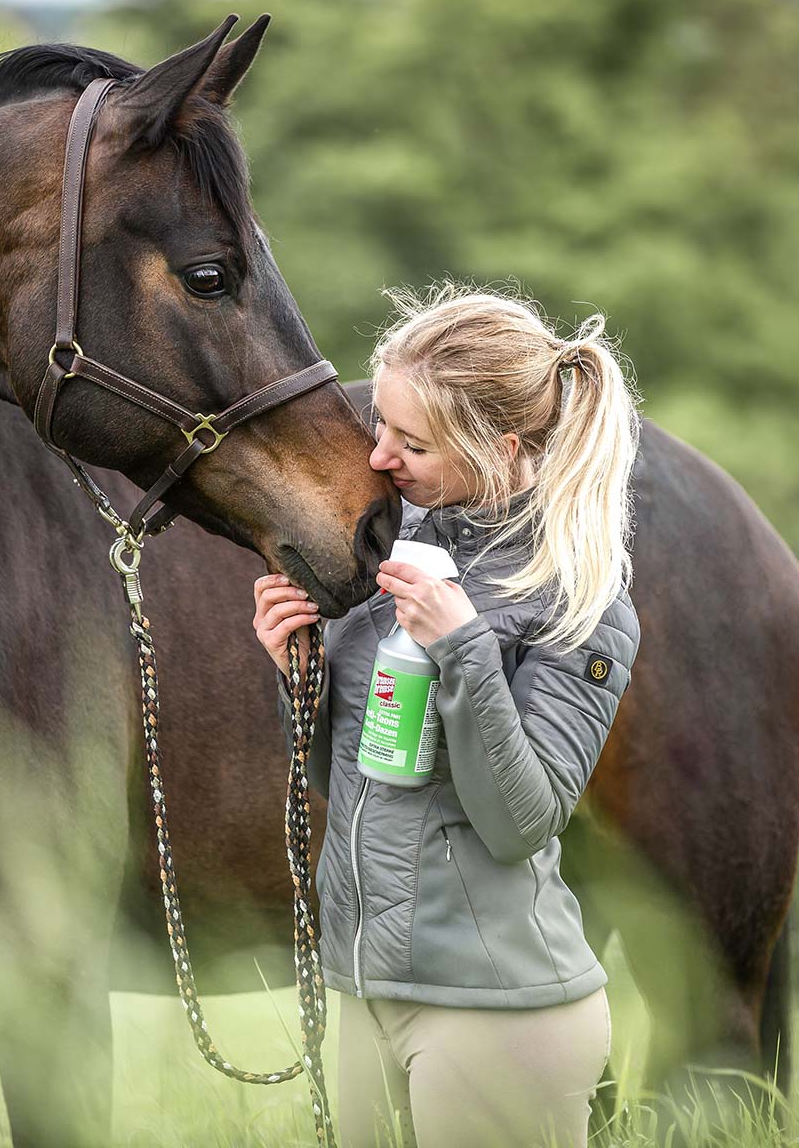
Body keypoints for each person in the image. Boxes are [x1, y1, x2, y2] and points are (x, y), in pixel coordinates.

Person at [253, 285, 642, 1148]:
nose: (381, 457)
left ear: (499, 449)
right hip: (368, 991)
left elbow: (521, 822)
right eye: (380, 426)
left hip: (499, 1011)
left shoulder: (579, 602)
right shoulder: (390, 558)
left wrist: (464, 649)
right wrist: (299, 673)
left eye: (413, 442)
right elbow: (347, 780)